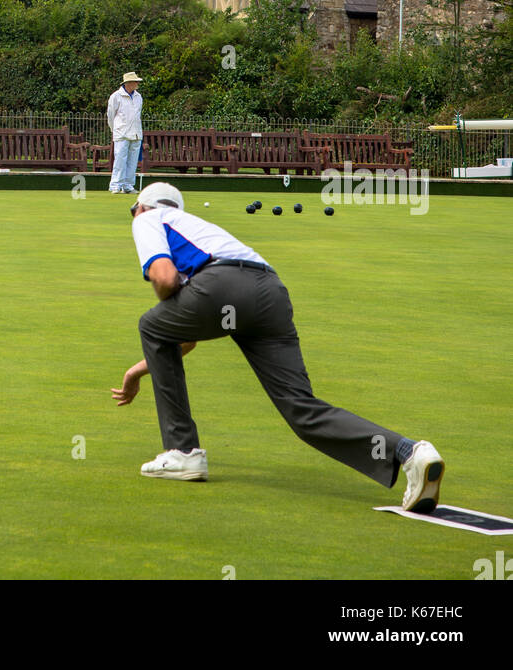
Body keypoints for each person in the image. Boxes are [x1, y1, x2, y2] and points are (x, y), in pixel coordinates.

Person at [111, 181, 445, 512]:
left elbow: (165, 278)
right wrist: (139, 370)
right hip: (270, 292)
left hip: (222, 285)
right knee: (301, 409)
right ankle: (410, 452)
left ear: (141, 206)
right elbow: (185, 336)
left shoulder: (148, 218)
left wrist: (160, 325)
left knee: (151, 323)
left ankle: (182, 452)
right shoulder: (198, 228)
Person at [107, 72, 143, 194]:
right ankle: (115, 185)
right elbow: (110, 116)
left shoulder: (139, 97)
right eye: (135, 81)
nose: (137, 83)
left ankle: (128, 185)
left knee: (133, 161)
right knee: (120, 160)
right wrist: (115, 130)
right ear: (128, 83)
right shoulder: (116, 96)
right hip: (121, 133)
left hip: (136, 133)